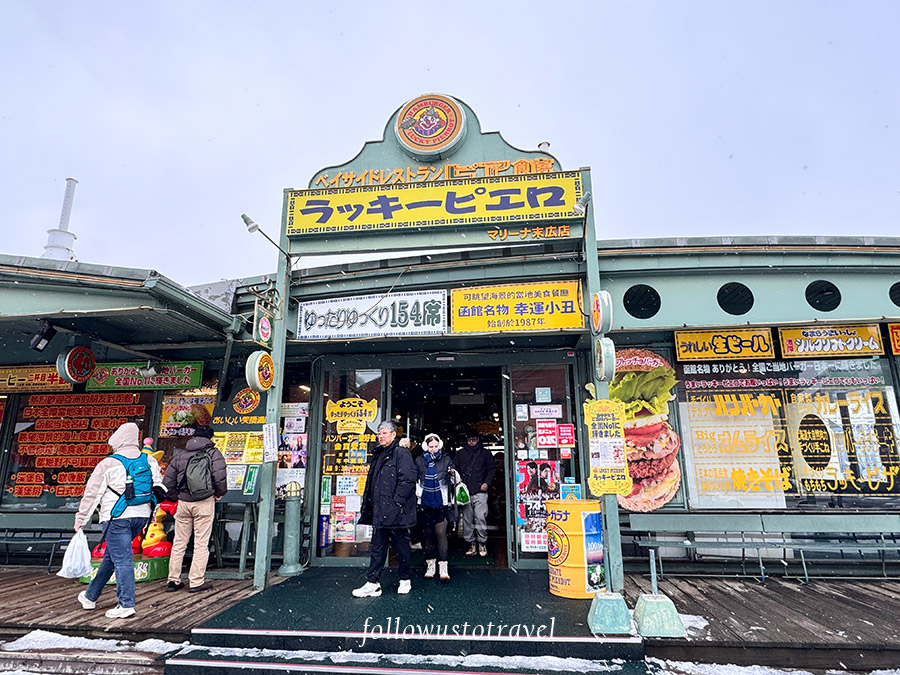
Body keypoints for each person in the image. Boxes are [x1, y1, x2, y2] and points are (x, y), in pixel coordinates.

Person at [74, 422, 164, 619]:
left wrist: (81, 519)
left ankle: (126, 604)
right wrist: (154, 513)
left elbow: (92, 494)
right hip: (141, 517)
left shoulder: (108, 463)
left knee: (122, 559)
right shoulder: (149, 460)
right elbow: (157, 488)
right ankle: (90, 596)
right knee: (112, 556)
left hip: (117, 518)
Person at [353, 420, 417, 597]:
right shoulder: (379, 454)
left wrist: (396, 503)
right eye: (379, 433)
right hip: (380, 511)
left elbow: (408, 480)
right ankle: (372, 582)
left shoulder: (401, 453)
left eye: (384, 433)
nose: (380, 436)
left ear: (393, 434)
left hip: (397, 512)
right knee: (377, 547)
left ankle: (405, 579)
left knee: (401, 547)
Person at [163, 424, 227, 593]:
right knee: (201, 543)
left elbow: (167, 481)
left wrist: (175, 496)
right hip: (204, 502)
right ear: (210, 438)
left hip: (183, 503)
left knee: (179, 543)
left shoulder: (180, 456)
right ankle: (196, 581)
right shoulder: (214, 454)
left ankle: (173, 580)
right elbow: (220, 477)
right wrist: (219, 493)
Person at [415, 433, 456, 582]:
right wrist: (419, 490)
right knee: (427, 535)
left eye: (436, 446)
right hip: (424, 502)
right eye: (430, 446)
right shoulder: (419, 460)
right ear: (425, 446)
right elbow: (414, 478)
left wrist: (452, 474)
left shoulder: (446, 459)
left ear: (440, 446)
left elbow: (455, 477)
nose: (433, 449)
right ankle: (430, 565)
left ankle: (443, 567)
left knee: (440, 532)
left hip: (442, 501)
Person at [454, 429, 496, 557]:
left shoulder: (485, 453)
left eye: (474, 439)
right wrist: (457, 479)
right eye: (469, 439)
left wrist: (487, 483)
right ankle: (471, 543)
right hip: (466, 491)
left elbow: (491, 469)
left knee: (480, 517)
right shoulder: (460, 454)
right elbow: (455, 469)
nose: (471, 442)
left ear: (478, 440)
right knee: (467, 519)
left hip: (480, 491)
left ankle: (482, 543)